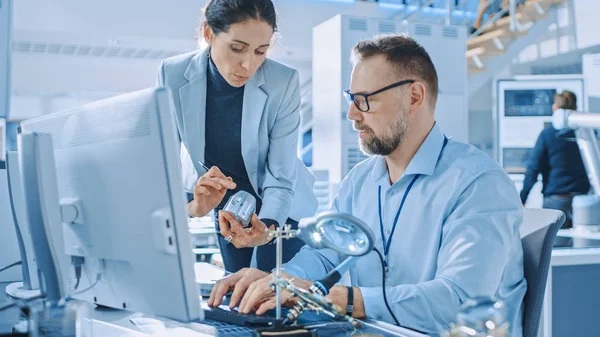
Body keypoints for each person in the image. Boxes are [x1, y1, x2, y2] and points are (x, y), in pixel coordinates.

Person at [208, 35, 527, 336]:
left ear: (414, 96)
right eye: (351, 99)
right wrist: (279, 282)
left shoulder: (478, 183)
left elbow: (460, 302)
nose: (351, 114)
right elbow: (324, 255)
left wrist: (336, 298)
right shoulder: (360, 180)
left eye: (364, 100)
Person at [156, 0, 318, 273]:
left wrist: (267, 228)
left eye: (261, 51)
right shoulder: (172, 74)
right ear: (209, 34)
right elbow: (164, 164)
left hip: (281, 210)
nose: (248, 64)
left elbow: (280, 176)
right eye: (237, 48)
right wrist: (192, 207)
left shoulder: (283, 81)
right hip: (229, 208)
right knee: (237, 295)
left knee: (275, 295)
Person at [520, 91, 590, 228]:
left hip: (556, 200)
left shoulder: (547, 135)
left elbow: (534, 168)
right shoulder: (587, 133)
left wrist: (523, 197)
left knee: (555, 246)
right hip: (584, 200)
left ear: (555, 109)